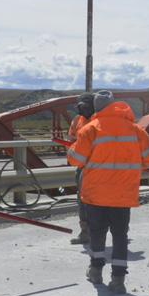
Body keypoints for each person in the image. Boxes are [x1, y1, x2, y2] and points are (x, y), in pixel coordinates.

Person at [67, 90, 149, 294]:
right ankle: (118, 280)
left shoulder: (90, 129)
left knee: (98, 232)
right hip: (124, 193)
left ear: (97, 108)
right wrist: (133, 166)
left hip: (95, 193)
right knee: (120, 235)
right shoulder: (135, 130)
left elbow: (76, 160)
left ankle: (96, 271)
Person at [67, 92, 96, 244]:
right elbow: (71, 139)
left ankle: (102, 230)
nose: (84, 108)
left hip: (99, 167)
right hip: (82, 167)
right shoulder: (77, 120)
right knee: (82, 199)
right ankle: (85, 232)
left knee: (100, 200)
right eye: (81, 106)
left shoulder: (100, 119)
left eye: (86, 105)